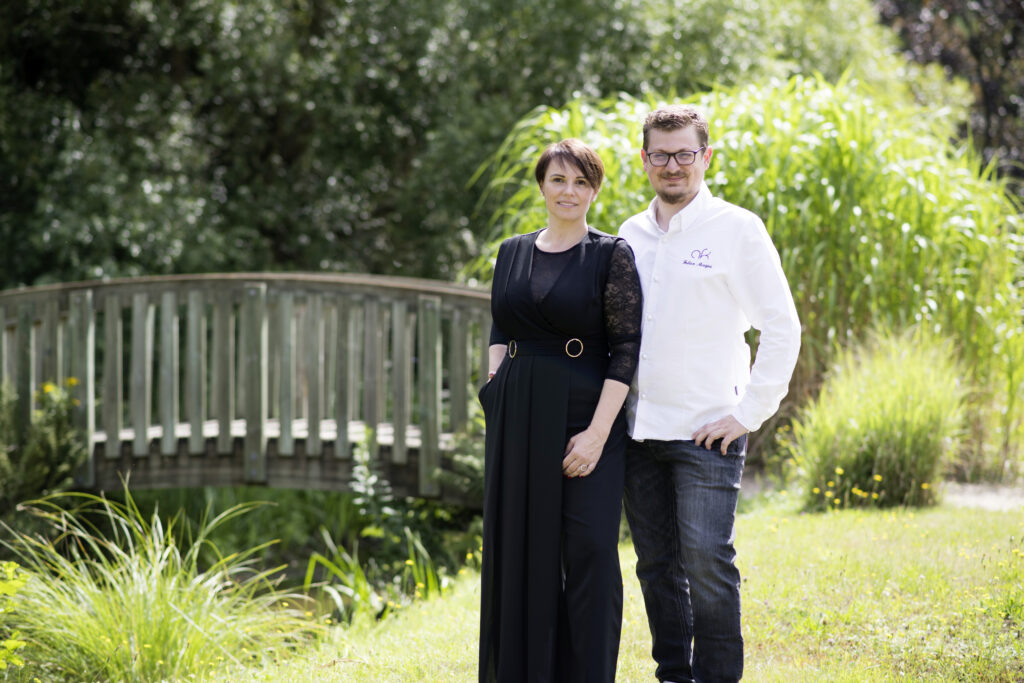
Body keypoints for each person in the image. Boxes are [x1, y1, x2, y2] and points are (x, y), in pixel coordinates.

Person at [619, 105, 801, 683]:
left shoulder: (737, 228)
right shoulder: (629, 234)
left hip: (707, 434)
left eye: (684, 154)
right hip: (639, 431)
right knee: (655, 567)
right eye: (660, 155)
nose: (673, 166)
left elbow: (782, 326)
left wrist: (747, 413)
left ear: (706, 156)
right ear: (645, 159)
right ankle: (674, 674)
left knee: (708, 565)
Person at [477, 138, 643, 683]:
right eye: (558, 180)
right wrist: (494, 385)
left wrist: (597, 433)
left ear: (594, 190)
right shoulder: (512, 250)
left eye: (580, 182)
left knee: (592, 548)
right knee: (522, 551)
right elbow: (502, 325)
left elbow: (625, 349)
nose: (568, 191)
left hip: (585, 419)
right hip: (517, 416)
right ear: (542, 186)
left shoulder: (610, 254)